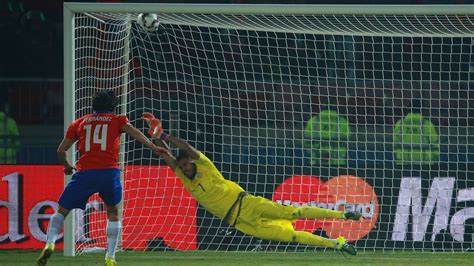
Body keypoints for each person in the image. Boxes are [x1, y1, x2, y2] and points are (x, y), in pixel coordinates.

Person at [143, 112, 361, 256]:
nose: (185, 168)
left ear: (191, 162)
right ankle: (337, 244)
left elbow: (188, 149)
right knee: (291, 236)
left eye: (187, 165)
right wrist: (156, 137)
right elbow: (166, 156)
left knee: (294, 213)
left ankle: (342, 215)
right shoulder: (184, 178)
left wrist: (165, 134)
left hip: (247, 203)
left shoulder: (206, 167)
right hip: (240, 222)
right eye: (182, 167)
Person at [36, 91, 165, 266]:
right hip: (108, 173)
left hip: (84, 173)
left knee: (62, 211)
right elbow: (136, 134)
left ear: (93, 105)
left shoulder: (79, 122)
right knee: (113, 213)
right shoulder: (118, 120)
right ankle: (110, 256)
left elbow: (61, 150)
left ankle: (50, 243)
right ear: (113, 107)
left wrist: (66, 166)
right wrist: (153, 146)